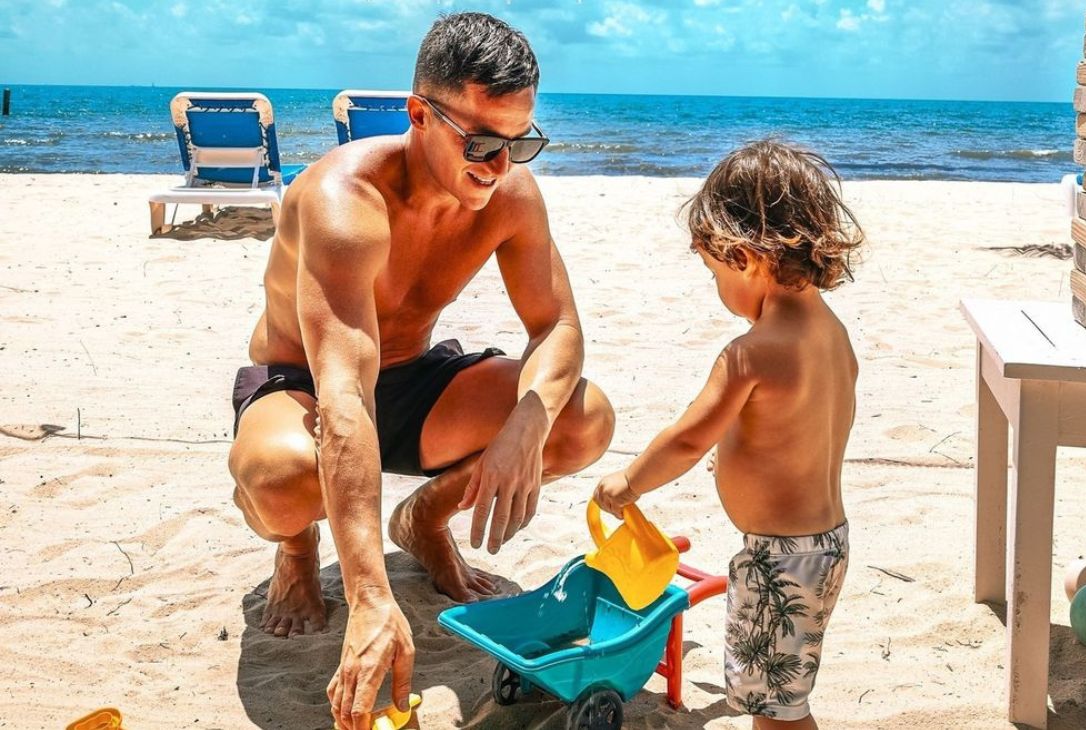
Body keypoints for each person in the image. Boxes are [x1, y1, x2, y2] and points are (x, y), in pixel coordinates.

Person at [226, 12, 614, 729]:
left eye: (519, 142)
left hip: (411, 381)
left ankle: (427, 518)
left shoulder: (511, 196)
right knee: (283, 484)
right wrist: (373, 598)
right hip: (306, 386)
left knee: (581, 418)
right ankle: (296, 550)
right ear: (418, 115)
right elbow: (342, 395)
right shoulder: (344, 201)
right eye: (482, 142)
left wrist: (527, 422)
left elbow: (555, 324)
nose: (498, 165)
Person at [593, 140, 862, 730]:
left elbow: (688, 439)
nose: (718, 287)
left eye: (715, 272)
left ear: (744, 257)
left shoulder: (749, 354)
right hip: (827, 544)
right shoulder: (832, 335)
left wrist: (627, 483)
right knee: (782, 698)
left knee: (775, 712)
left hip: (779, 561)